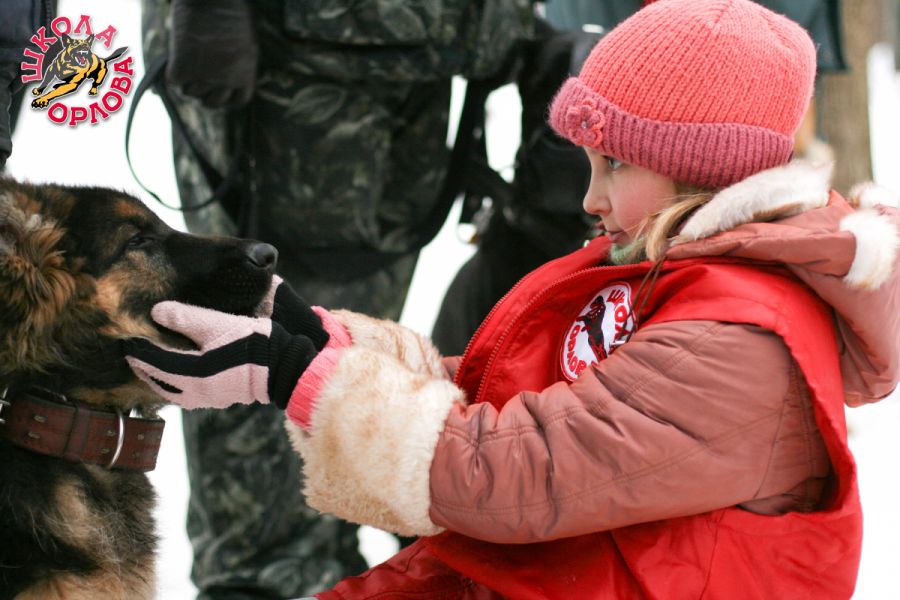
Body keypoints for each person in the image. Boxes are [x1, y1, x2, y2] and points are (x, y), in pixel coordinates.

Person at [126, 0, 900, 597]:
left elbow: (519, 471)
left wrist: (299, 378)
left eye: (615, 165)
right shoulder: (675, 273)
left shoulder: (737, 337)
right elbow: (510, 398)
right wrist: (321, 344)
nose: (590, 199)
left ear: (700, 168)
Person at [138, 0, 532, 597]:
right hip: (294, 60)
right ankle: (264, 576)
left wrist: (508, 26)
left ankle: (326, 558)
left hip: (417, 50)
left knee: (353, 335)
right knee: (266, 327)